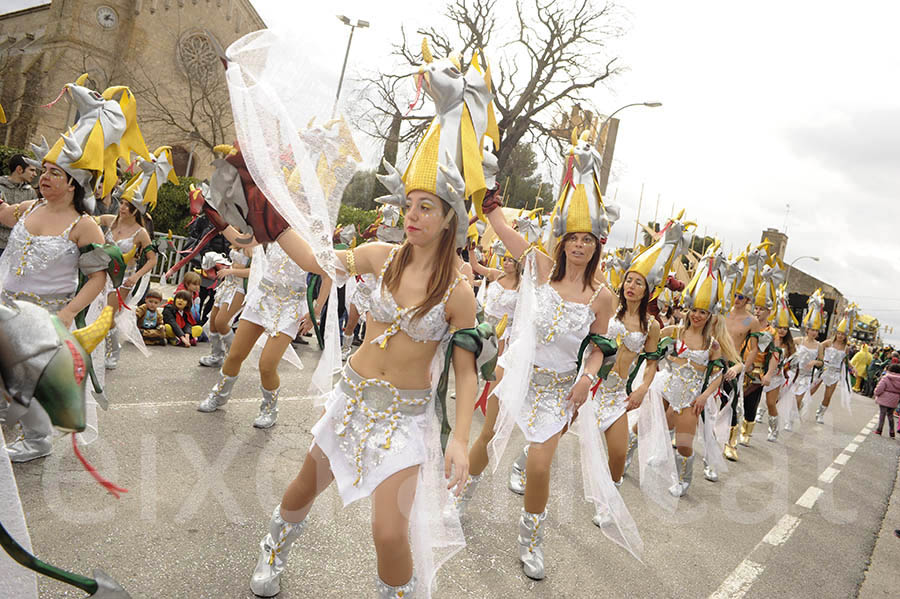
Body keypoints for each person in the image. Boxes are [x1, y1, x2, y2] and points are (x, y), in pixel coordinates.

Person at [0, 77, 148, 462]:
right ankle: (19, 415)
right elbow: (2, 212)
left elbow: (98, 277)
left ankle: (36, 439)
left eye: (52, 173)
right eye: (43, 170)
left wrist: (67, 312)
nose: (43, 178)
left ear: (72, 184)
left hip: (44, 315)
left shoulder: (83, 224)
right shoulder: (28, 209)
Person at [198, 232, 329, 428]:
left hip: (290, 306)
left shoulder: (317, 233)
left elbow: (328, 274)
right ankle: (219, 395)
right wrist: (220, 217)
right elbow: (243, 241)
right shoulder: (274, 224)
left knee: (267, 365)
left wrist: (315, 312)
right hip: (262, 297)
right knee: (235, 355)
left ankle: (269, 409)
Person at [446, 236, 519, 516]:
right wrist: (472, 248)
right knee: (471, 367)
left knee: (490, 370)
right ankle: (472, 394)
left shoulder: (524, 286)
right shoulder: (495, 274)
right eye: (506, 257)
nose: (507, 261)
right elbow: (474, 265)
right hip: (483, 325)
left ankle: (483, 395)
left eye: (512, 258)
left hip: (505, 334)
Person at [95, 183, 158, 369]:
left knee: (109, 316)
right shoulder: (109, 220)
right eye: (121, 203)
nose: (122, 208)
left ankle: (114, 350)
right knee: (95, 312)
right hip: (100, 275)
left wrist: (135, 277)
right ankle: (97, 348)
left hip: (123, 280)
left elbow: (152, 260)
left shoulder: (141, 233)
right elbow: (86, 222)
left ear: (135, 210)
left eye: (127, 205)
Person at [198, 247, 251, 368]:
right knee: (213, 322)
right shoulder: (239, 238)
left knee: (221, 322)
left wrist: (231, 271)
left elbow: (256, 271)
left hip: (239, 287)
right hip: (227, 284)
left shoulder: (253, 244)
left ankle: (234, 358)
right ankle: (216, 356)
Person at [812, 305, 858, 423]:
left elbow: (846, 361)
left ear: (845, 336)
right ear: (836, 333)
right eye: (839, 333)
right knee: (811, 389)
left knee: (828, 396)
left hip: (835, 373)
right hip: (824, 369)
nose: (840, 336)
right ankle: (800, 405)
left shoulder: (846, 348)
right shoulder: (828, 343)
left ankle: (820, 414)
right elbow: (819, 346)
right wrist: (820, 358)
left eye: (843, 334)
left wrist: (853, 368)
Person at [788, 289, 826, 429]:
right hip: (794, 373)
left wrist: (815, 362)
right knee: (789, 398)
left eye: (817, 330)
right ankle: (789, 415)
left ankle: (791, 421)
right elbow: (787, 349)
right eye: (812, 330)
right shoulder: (798, 340)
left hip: (806, 376)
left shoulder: (819, 346)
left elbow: (821, 362)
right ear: (807, 329)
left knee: (798, 399)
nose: (815, 332)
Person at [0, 154, 38, 257]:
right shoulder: (1, 188)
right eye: (32, 170)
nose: (35, 174)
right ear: (20, 169)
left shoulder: (31, 192)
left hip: (17, 248)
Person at [873, 363, 900, 437]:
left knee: (882, 414)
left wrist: (876, 393)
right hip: (895, 400)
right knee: (890, 415)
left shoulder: (886, 377)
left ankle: (879, 429)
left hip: (884, 398)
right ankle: (892, 432)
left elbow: (880, 388)